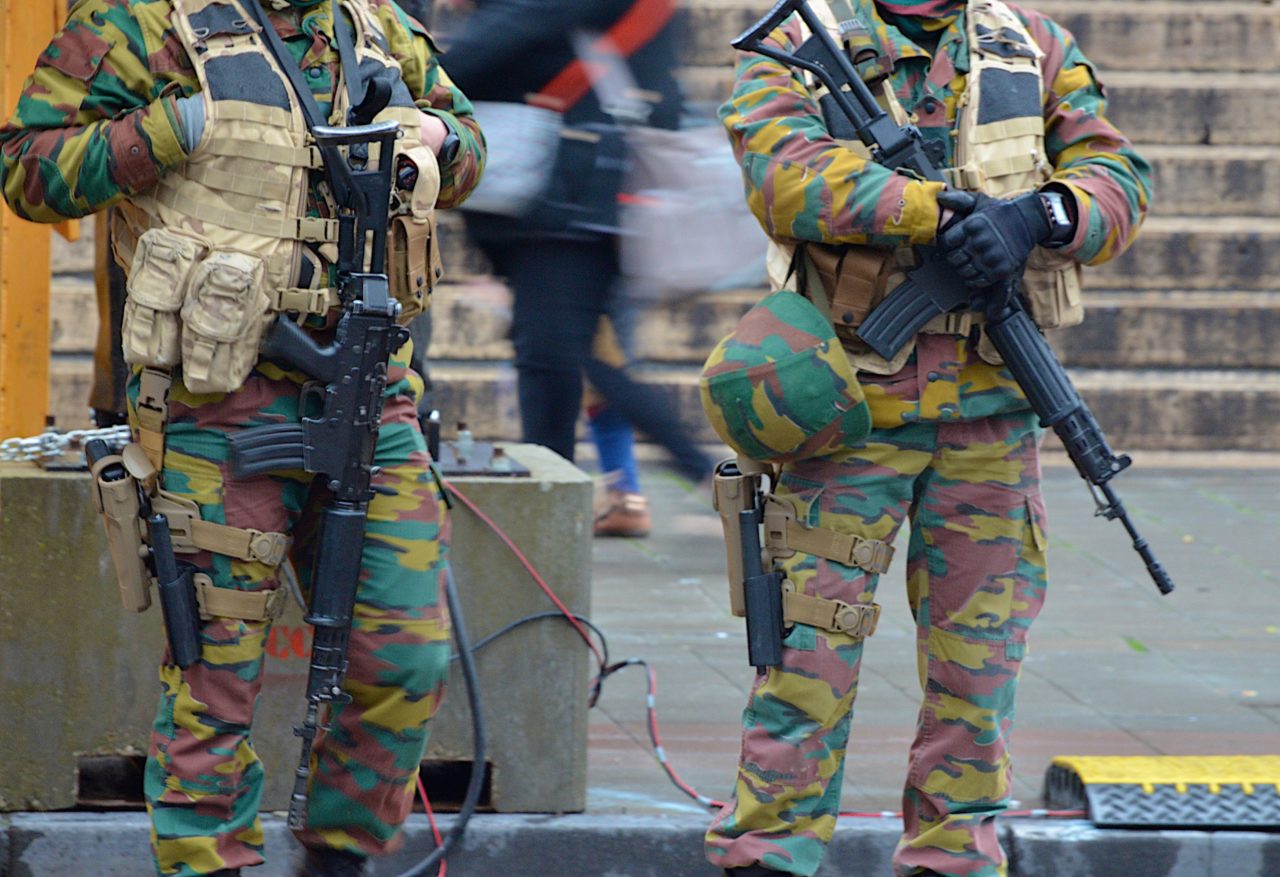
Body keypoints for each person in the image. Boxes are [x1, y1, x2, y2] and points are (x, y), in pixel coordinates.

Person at [0, 1, 484, 875]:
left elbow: (470, 150)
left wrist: (437, 139)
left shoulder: (373, 25)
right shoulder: (143, 21)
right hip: (215, 399)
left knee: (405, 658)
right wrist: (170, 129)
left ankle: (339, 855)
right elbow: (27, 170)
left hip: (369, 393)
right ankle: (206, 859)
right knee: (213, 681)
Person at [703, 1, 1151, 876]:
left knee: (979, 673)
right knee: (805, 661)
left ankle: (953, 857)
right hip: (847, 410)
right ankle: (767, 854)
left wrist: (1041, 216)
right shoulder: (801, 36)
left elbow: (1118, 174)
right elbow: (782, 175)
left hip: (992, 413)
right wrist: (933, 212)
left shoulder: (1029, 43)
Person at [437, 0, 716, 496]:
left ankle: (558, 501)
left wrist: (421, 76)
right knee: (575, 356)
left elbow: (481, 53)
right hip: (583, 198)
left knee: (553, 360)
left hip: (564, 202)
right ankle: (661, 478)